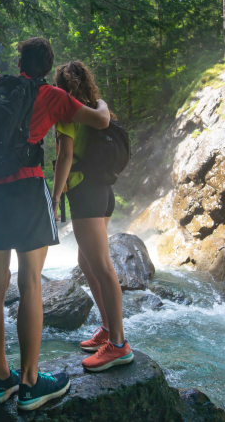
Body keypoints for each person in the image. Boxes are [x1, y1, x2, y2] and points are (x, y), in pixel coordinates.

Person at [0, 39, 111, 410]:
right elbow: (100, 120)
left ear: (19, 61)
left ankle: (1, 378)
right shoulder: (53, 96)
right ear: (49, 68)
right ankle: (32, 382)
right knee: (30, 281)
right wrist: (101, 102)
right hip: (26, 189)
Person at [52, 60, 133, 372]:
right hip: (103, 192)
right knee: (87, 263)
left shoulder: (68, 114)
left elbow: (65, 157)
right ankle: (108, 330)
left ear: (62, 87)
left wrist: (56, 196)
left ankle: (119, 345)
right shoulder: (97, 110)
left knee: (101, 266)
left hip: (85, 192)